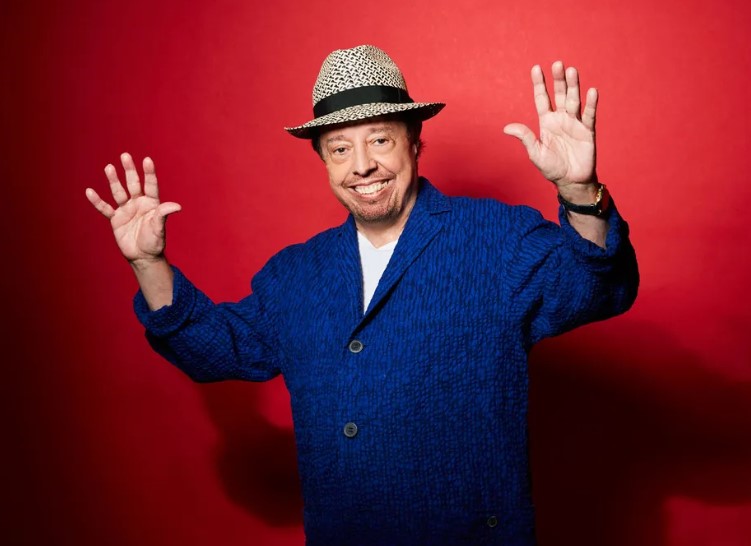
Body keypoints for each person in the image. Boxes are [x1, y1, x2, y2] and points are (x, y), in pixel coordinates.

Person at [86, 45, 638, 545]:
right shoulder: (295, 273)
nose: (362, 166)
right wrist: (148, 264)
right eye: (339, 148)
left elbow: (595, 289)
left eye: (379, 139)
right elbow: (214, 349)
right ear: (323, 161)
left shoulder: (496, 237)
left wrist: (579, 191)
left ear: (415, 142)